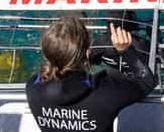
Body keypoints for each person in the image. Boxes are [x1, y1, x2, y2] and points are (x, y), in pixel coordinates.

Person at [26, 16, 157, 132]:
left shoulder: (33, 88)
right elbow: (146, 81)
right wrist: (125, 51)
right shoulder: (106, 93)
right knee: (114, 72)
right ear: (88, 51)